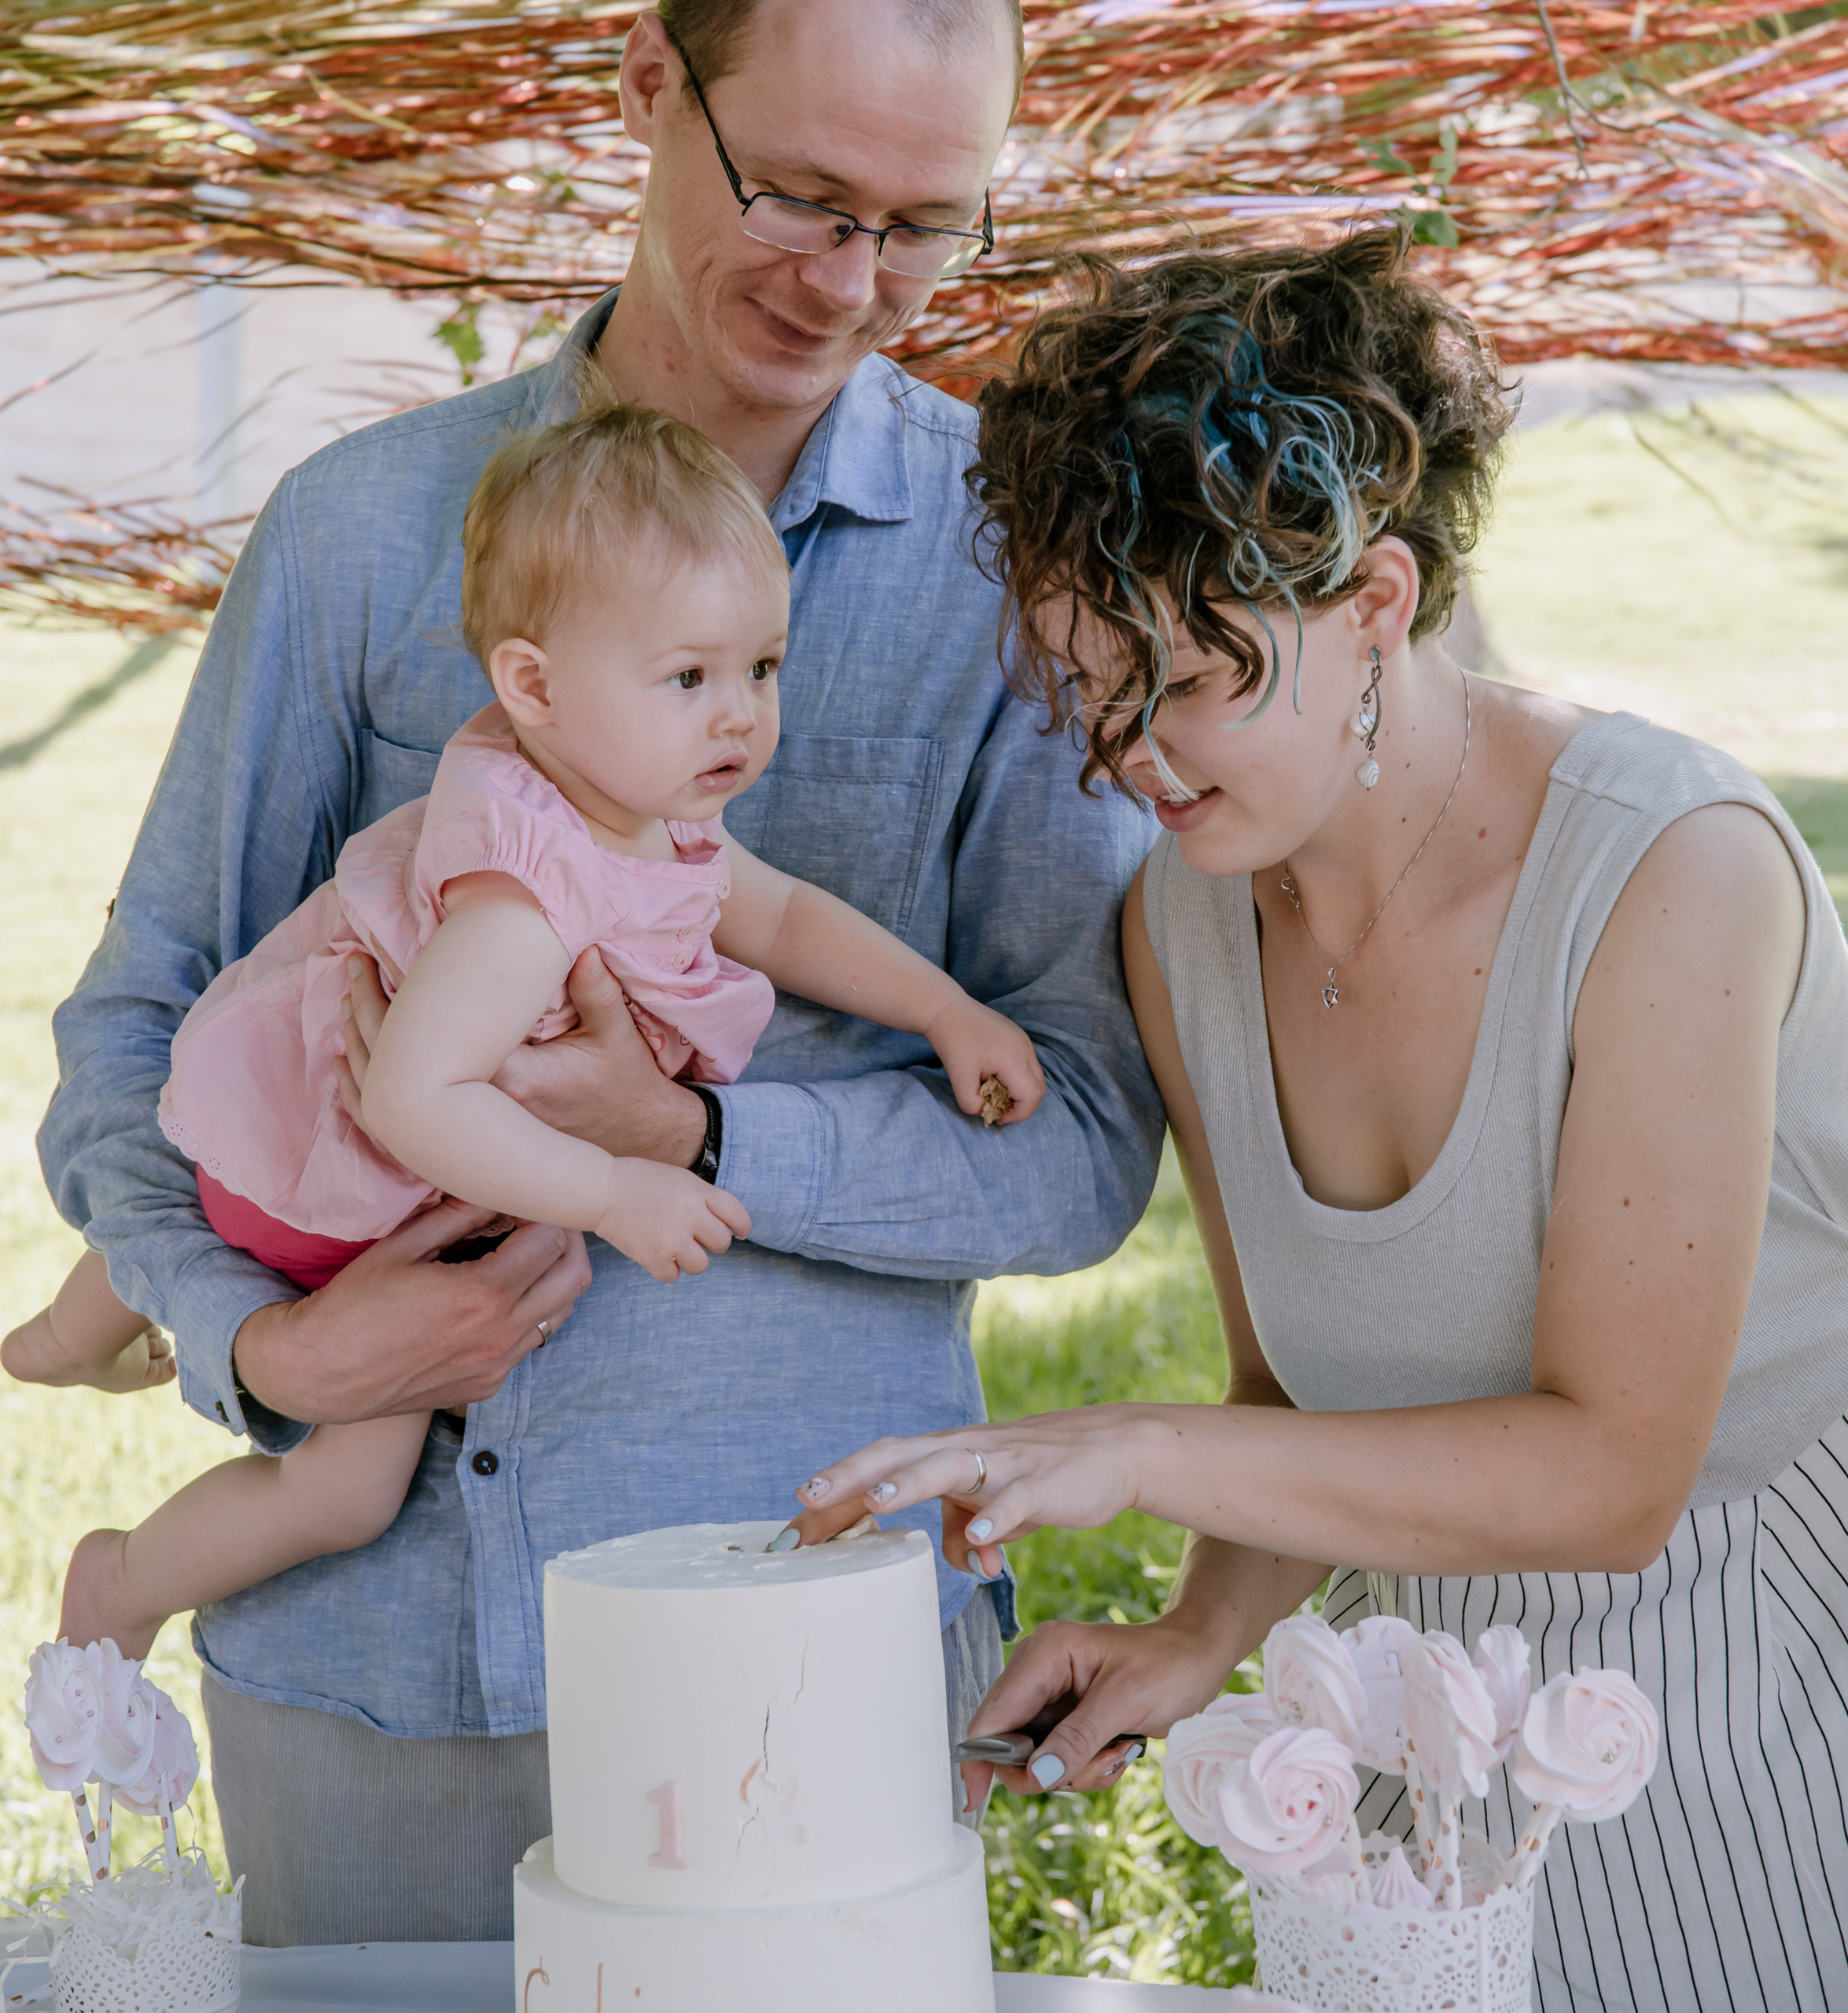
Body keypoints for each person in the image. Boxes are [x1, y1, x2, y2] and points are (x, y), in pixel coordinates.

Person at [786, 229, 1848, 2011]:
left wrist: (1131, 1448)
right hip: (1437, 1668)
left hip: (1791, 1636)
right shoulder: (1179, 918)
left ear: (1372, 599)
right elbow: (1296, 1392)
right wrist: (1197, 1629)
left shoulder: (1669, 870)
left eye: (1191, 682)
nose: (1126, 752)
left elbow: (1612, 1473)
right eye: (1081, 685)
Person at [36, 0, 1161, 1946]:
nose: (849, 283)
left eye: (921, 227)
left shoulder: (1009, 576)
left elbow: (1073, 1149)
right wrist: (261, 1344)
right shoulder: (364, 532)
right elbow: (136, 1033)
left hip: (800, 1651)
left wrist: (702, 1132)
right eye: (801, 195)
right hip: (366, 1654)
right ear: (650, 90)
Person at [13, 398, 1044, 1664]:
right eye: (690, 677)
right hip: (339, 1197)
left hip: (271, 1120)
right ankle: (119, 1581)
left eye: (760, 669)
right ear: (534, 685)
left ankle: (86, 1317)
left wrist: (943, 1010)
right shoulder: (522, 895)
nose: (740, 715)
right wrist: (614, 1188)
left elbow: (780, 917)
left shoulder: (633, 794)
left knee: (212, 1172)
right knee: (344, 1492)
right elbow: (408, 1101)